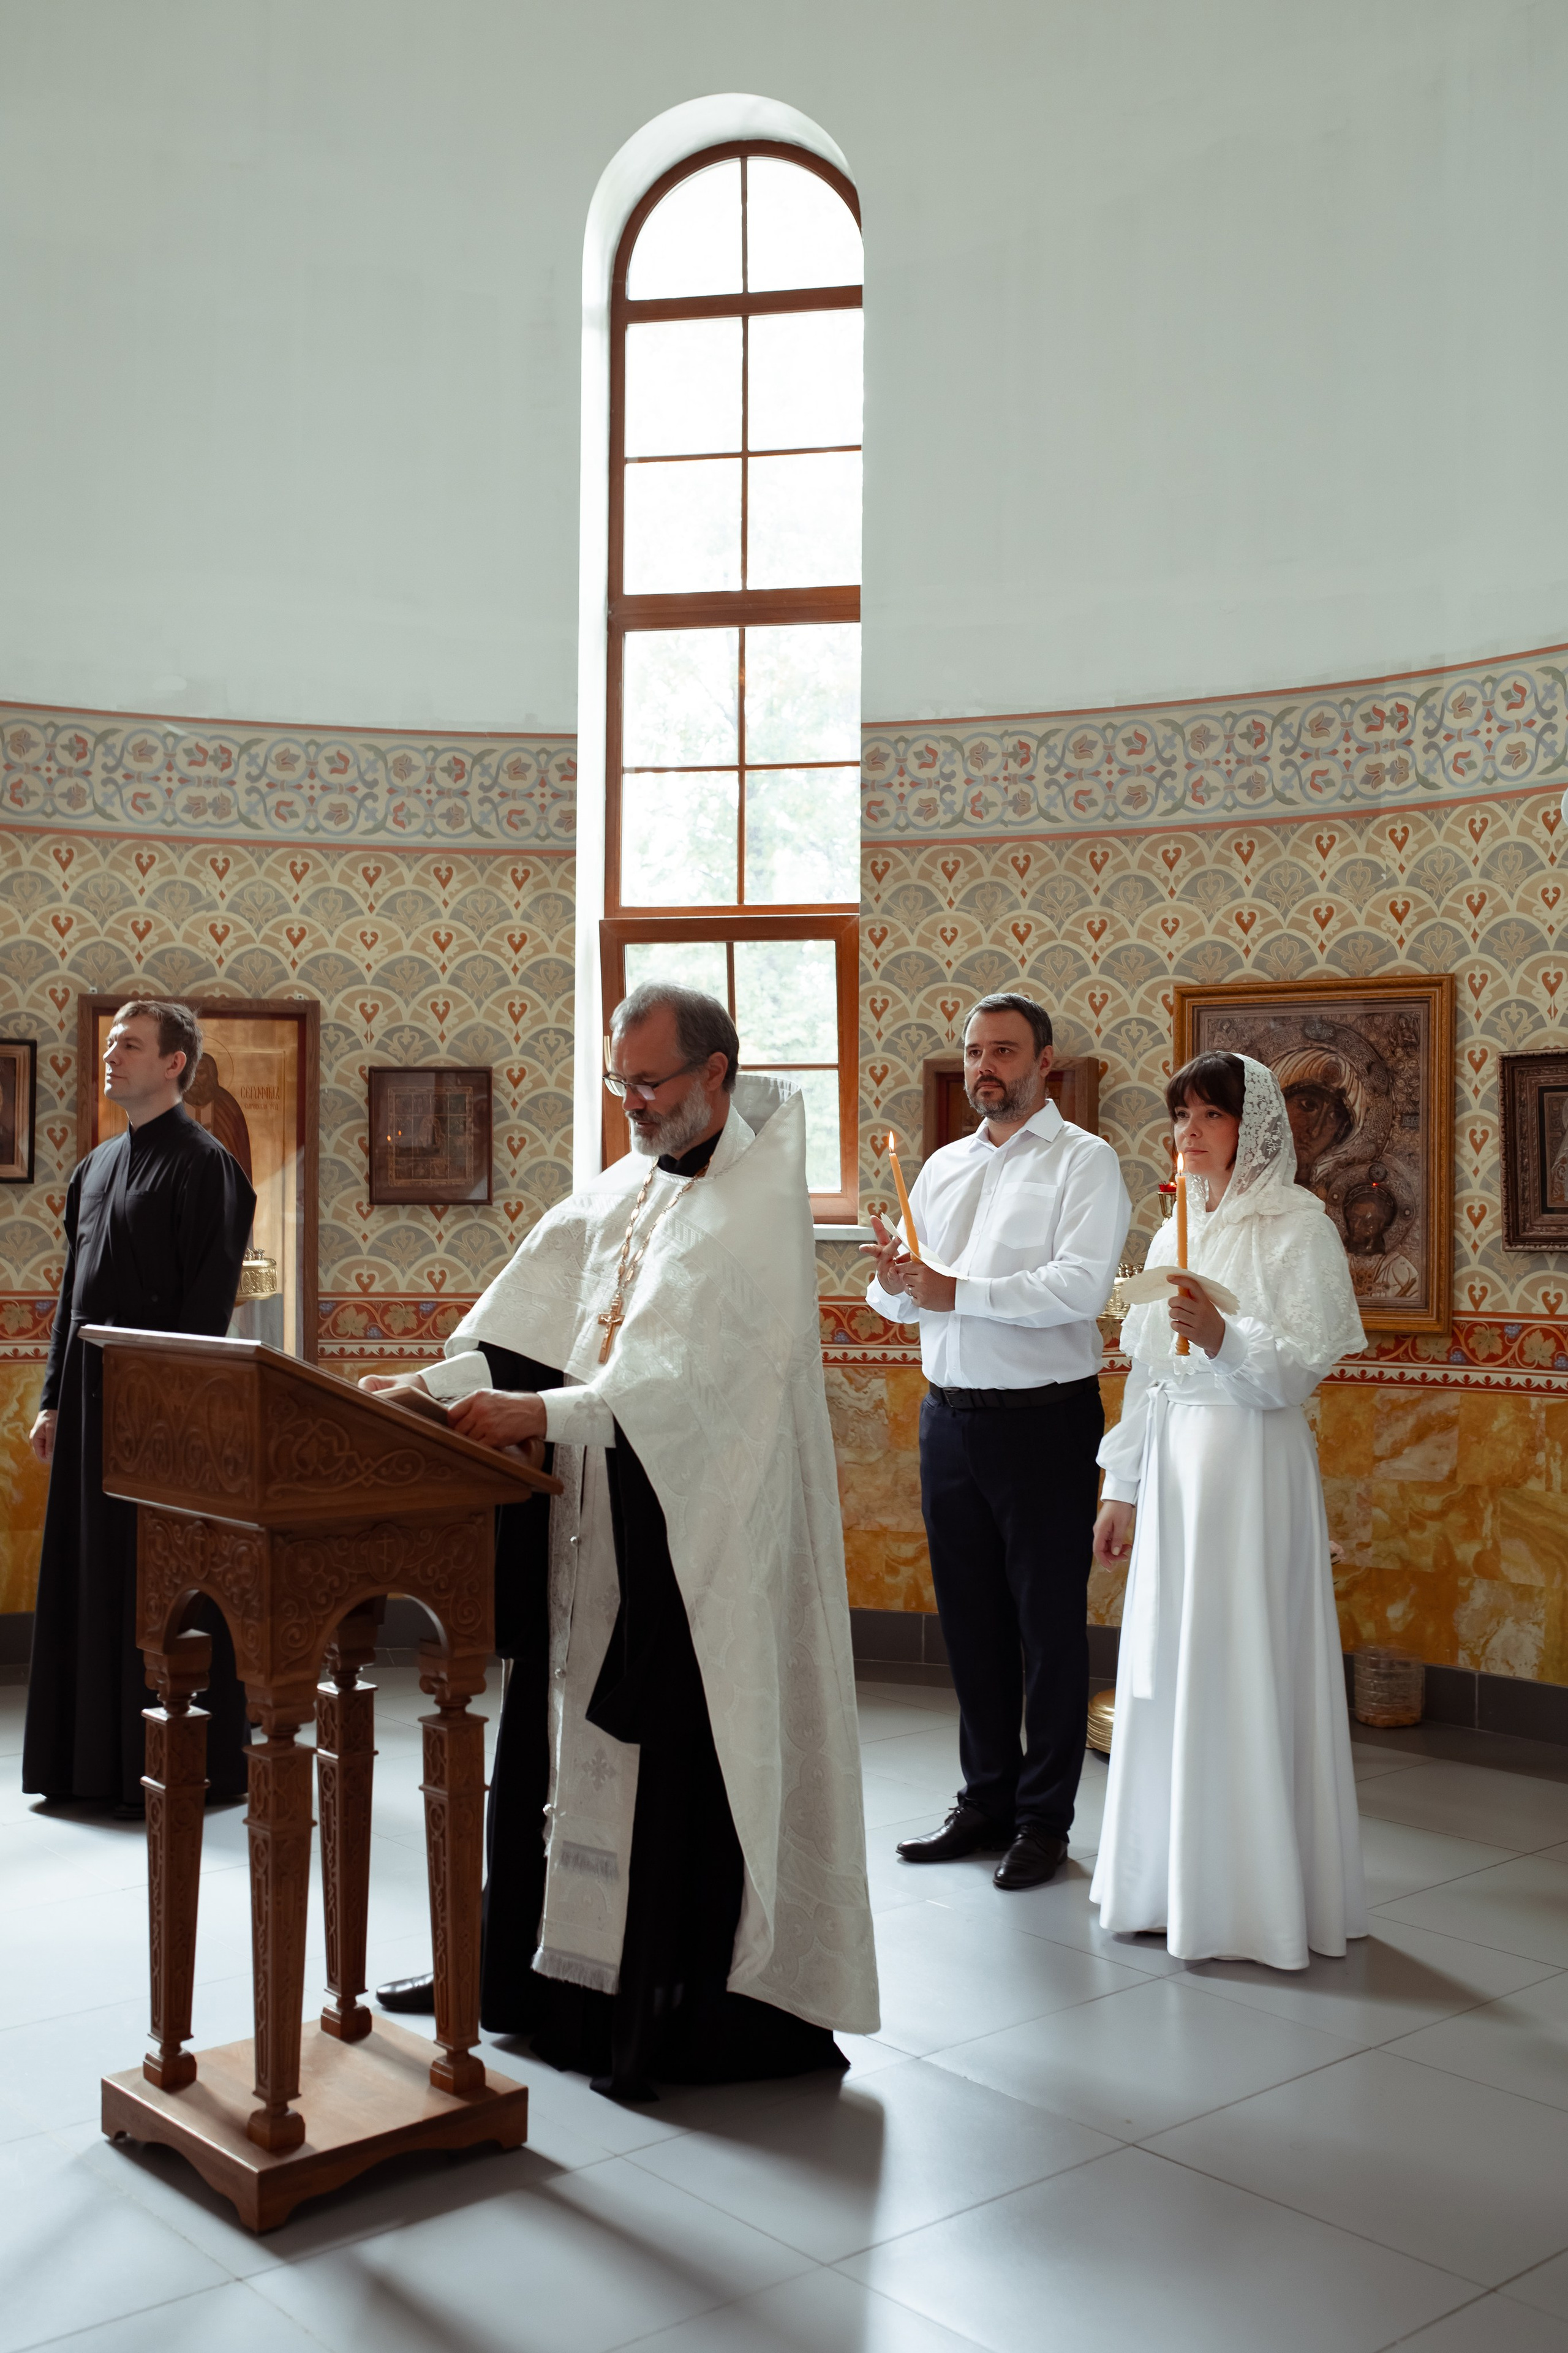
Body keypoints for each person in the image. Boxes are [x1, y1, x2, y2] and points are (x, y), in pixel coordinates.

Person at [366, 983, 878, 2099]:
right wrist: (431, 1387)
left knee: (662, 1767)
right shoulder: (620, 1192)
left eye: (650, 1083)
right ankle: (525, 1980)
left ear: (717, 1073)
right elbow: (531, 1346)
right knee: (551, 1757)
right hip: (585, 1536)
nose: (633, 1104)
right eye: (620, 1083)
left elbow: (693, 1390)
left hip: (688, 1557)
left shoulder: (756, 1210)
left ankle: (652, 2009)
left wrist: (539, 1418)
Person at [1090, 1051, 1368, 1968]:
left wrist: (1222, 1336)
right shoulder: (1176, 1223)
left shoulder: (1298, 1226)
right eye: (1181, 1118)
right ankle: (1167, 1881)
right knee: (1172, 1665)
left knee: (1242, 1657)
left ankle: (1253, 1901)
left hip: (1249, 1460)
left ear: (1254, 1128)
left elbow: (1299, 1367)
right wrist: (1120, 1485)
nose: (1190, 1134)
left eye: (1209, 1116)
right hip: (1173, 1464)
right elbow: (1144, 1374)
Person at [861, 992, 1130, 1892]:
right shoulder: (939, 1168)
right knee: (970, 1622)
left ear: (1045, 1062)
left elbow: (1076, 1289)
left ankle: (1043, 1821)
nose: (987, 1067)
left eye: (1005, 1051)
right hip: (950, 1418)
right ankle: (983, 1801)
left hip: (1046, 1420)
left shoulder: (1086, 1163)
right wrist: (894, 1278)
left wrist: (951, 1290)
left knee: (1047, 1627)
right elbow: (901, 1300)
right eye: (976, 1052)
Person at [23, 1000, 257, 1813]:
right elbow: (72, 1298)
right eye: (110, 1044)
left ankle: (184, 1765)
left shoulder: (207, 1166)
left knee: (157, 1588)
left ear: (176, 1065)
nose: (111, 1056)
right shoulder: (93, 1168)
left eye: (131, 1044)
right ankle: (86, 1767)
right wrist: (52, 1399)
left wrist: (169, 1412)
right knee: (91, 1580)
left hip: (163, 1421)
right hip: (88, 1413)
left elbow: (206, 1308)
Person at [1343, 1170, 1420, 1301]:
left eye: (1367, 1222)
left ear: (1384, 1225)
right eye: (1353, 1219)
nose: (1356, 1227)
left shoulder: (1399, 1268)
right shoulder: (1339, 1259)